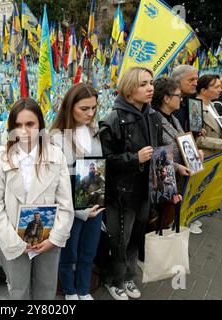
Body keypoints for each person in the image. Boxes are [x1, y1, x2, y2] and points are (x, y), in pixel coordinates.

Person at [0, 98, 74, 300]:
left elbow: (65, 203)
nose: (24, 131)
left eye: (30, 124)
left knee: (46, 288)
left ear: (40, 125)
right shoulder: (0, 159)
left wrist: (55, 238)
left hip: (48, 239)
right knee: (18, 290)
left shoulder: (56, 156)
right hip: (13, 240)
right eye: (18, 125)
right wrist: (15, 242)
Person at [99, 67, 163, 300]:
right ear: (128, 90)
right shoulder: (112, 120)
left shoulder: (152, 115)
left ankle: (128, 277)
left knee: (136, 237)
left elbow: (159, 150)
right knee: (119, 240)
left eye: (151, 83)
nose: (150, 88)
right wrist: (134, 159)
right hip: (121, 194)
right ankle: (113, 280)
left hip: (145, 190)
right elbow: (104, 161)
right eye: (143, 84)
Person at [50, 83, 105, 301]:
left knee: (89, 250)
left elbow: (98, 168)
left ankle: (83, 288)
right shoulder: (56, 137)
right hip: (70, 206)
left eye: (93, 108)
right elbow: (56, 183)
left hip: (94, 201)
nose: (90, 113)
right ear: (70, 106)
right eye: (84, 108)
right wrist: (78, 210)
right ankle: (70, 290)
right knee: (68, 252)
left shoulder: (94, 131)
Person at [195, 74, 222, 201]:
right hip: (206, 157)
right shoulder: (196, 108)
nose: (220, 89)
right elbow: (197, 139)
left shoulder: (212, 105)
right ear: (203, 90)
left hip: (216, 155)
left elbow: (220, 126)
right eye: (216, 87)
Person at [171, 65, 199, 131]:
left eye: (196, 79)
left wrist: (196, 131)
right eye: (191, 80)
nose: (195, 84)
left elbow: (194, 127)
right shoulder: (169, 103)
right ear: (177, 81)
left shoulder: (192, 100)